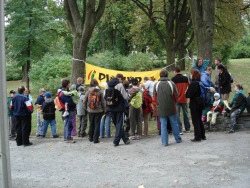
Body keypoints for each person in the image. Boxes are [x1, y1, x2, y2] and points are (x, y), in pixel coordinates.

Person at [153, 70, 182, 146]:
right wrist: (174, 102)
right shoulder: (171, 84)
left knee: (163, 125)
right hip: (171, 106)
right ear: (167, 75)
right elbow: (176, 95)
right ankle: (177, 139)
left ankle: (165, 142)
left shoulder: (156, 84)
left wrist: (158, 104)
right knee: (174, 123)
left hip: (161, 107)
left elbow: (154, 96)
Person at [104, 73, 130, 146]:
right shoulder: (120, 85)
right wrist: (129, 98)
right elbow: (125, 96)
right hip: (119, 107)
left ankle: (125, 139)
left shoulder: (107, 84)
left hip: (110, 106)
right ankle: (116, 141)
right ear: (120, 79)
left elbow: (104, 96)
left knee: (116, 123)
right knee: (119, 124)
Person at [186, 69, 206, 142]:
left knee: (195, 120)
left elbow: (188, 95)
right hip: (200, 102)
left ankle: (197, 137)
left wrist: (187, 90)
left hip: (194, 103)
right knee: (199, 119)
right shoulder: (200, 83)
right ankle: (202, 135)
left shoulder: (193, 84)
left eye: (191, 74)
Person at [83, 79, 105, 143]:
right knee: (97, 124)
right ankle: (96, 139)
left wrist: (86, 109)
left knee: (91, 124)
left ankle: (90, 138)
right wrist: (104, 109)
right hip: (98, 110)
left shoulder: (88, 92)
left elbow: (84, 101)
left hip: (90, 110)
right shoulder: (100, 92)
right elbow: (103, 102)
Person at [171, 67, 191, 134]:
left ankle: (180, 130)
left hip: (176, 99)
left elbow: (171, 89)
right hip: (184, 98)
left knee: (177, 115)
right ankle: (187, 128)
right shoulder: (185, 78)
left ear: (175, 71)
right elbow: (190, 86)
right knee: (185, 113)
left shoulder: (173, 79)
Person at [59, 79, 76, 143]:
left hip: (66, 110)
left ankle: (65, 136)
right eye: (69, 83)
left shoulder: (62, 92)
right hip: (68, 110)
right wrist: (74, 104)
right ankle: (68, 138)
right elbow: (69, 102)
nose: (70, 85)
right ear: (66, 85)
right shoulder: (65, 93)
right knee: (69, 123)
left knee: (66, 123)